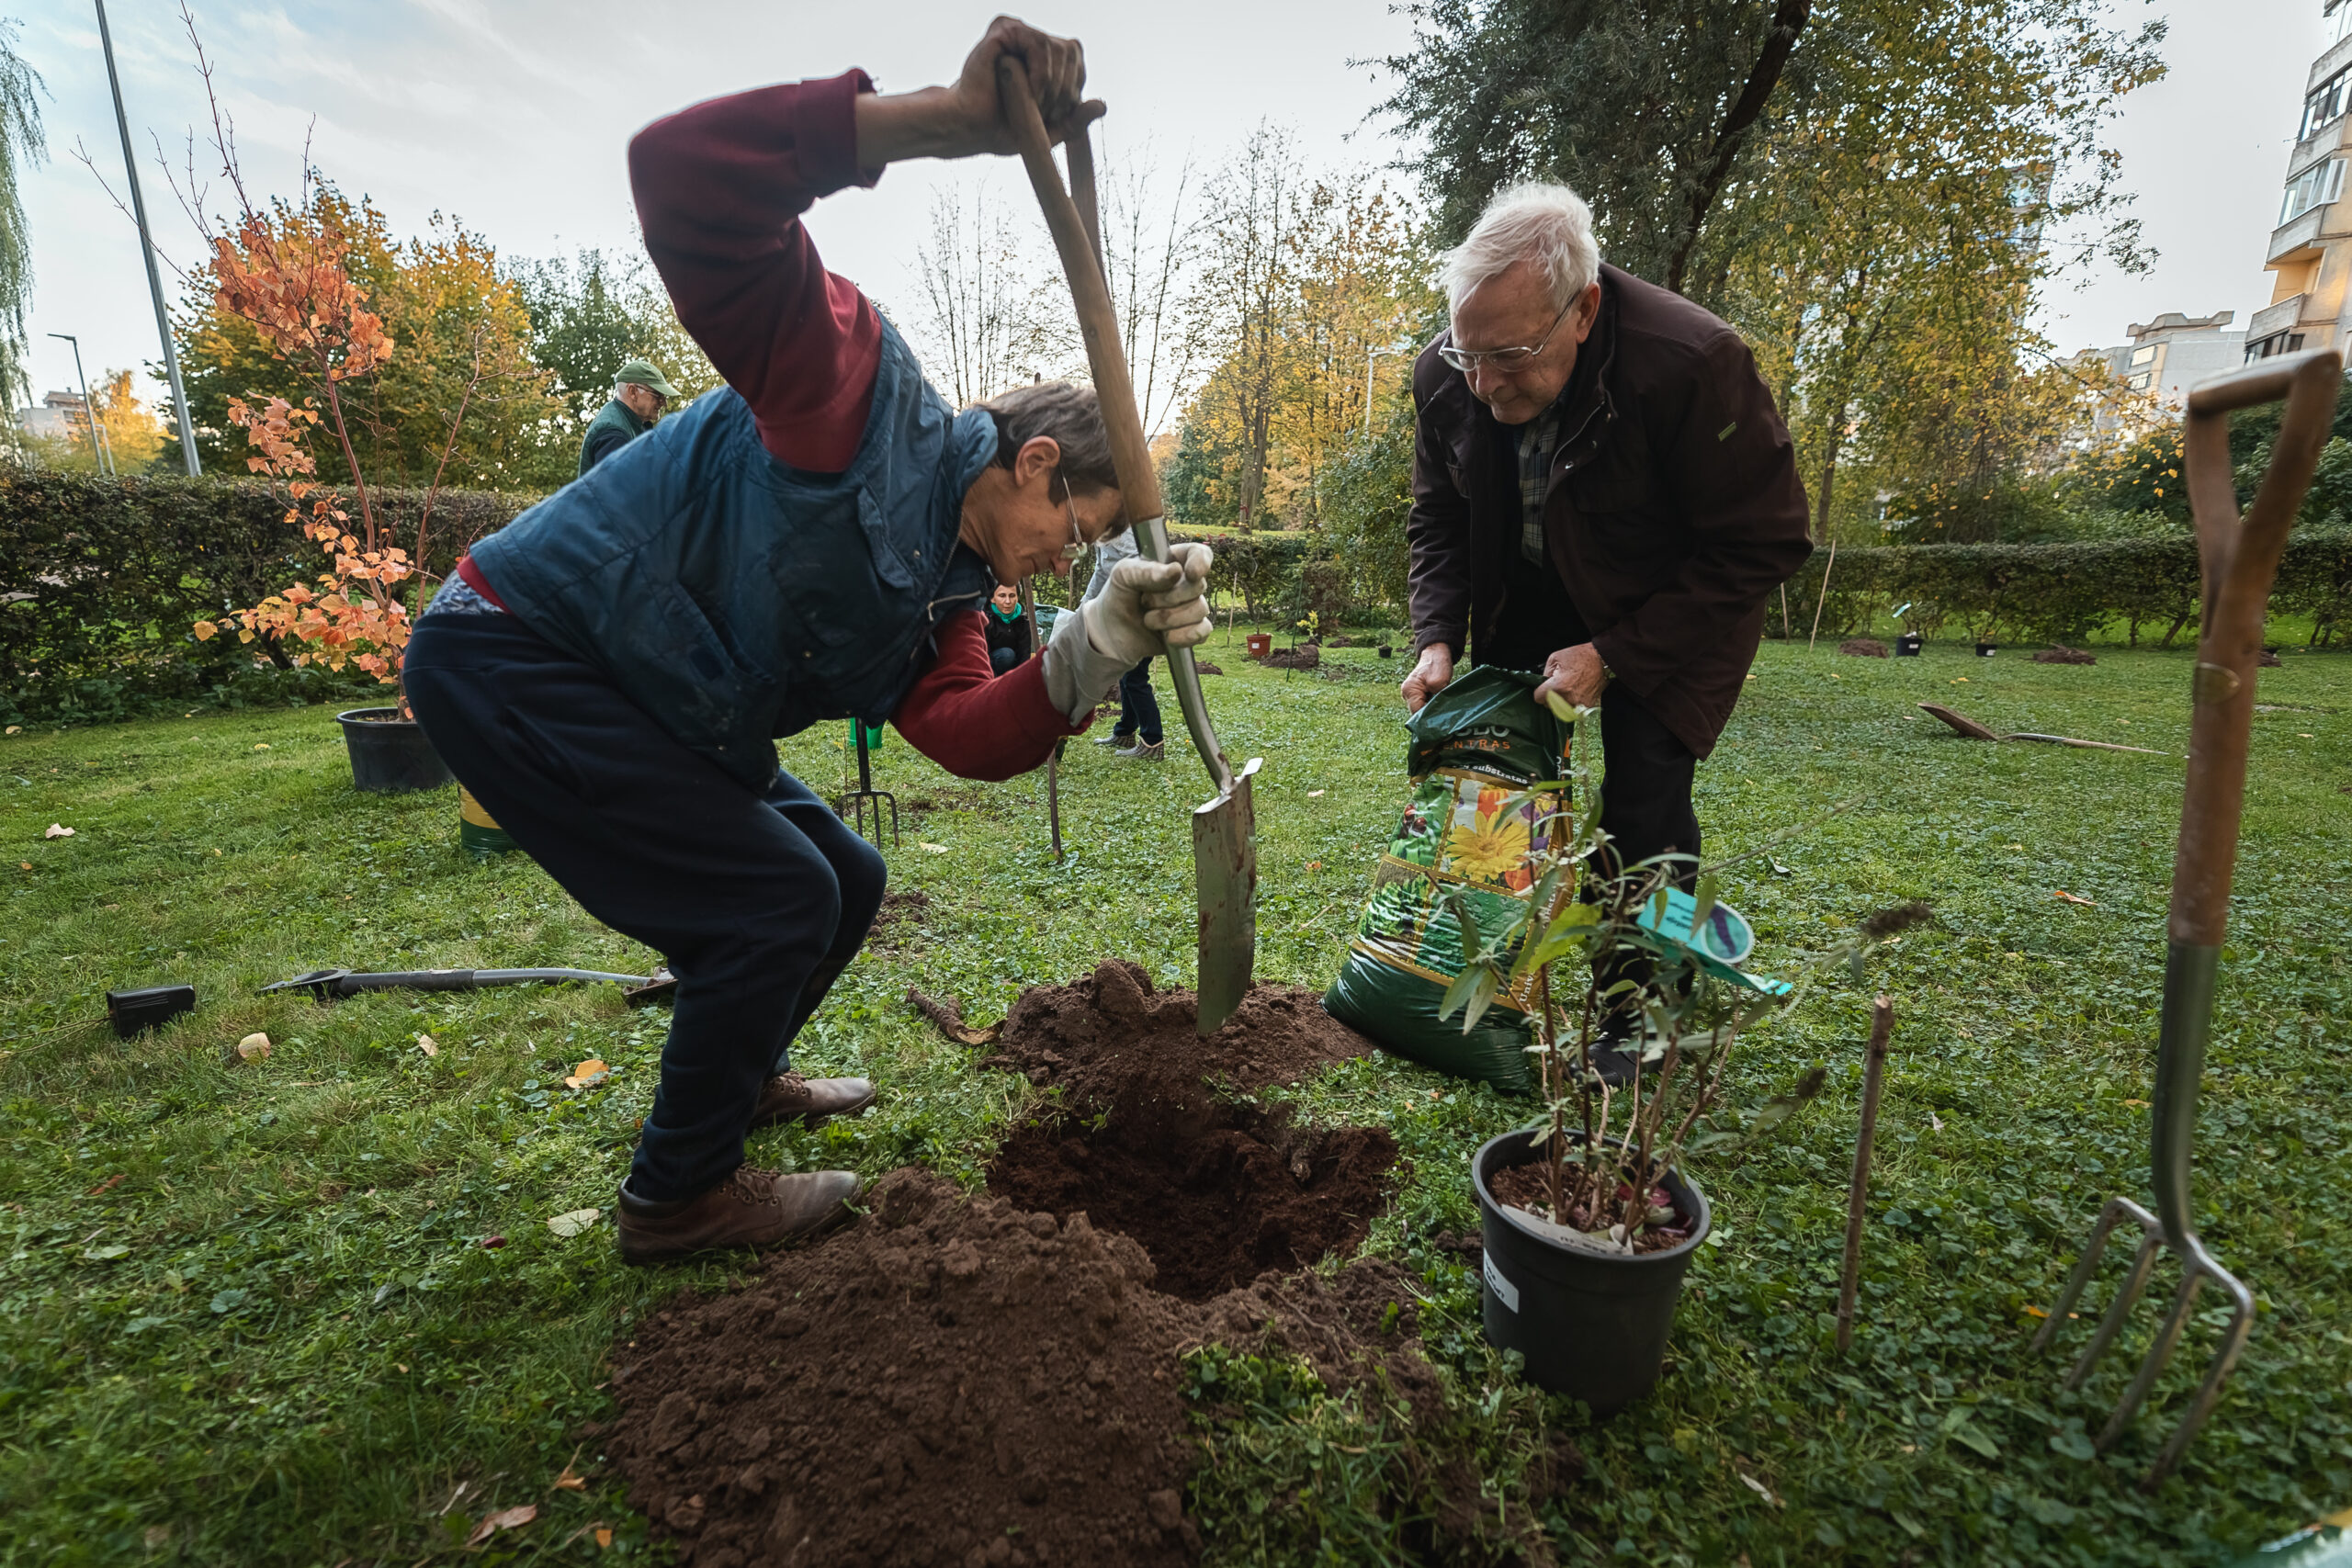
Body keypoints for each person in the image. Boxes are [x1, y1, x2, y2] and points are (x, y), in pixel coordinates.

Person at [404, 18, 1214, 1265]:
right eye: (1080, 529)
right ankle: (677, 1196)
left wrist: (1098, 643)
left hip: (654, 700)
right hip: (518, 652)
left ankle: (742, 1076)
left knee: (849, 876)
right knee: (774, 898)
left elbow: (964, 732)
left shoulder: (948, 593)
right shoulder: (856, 399)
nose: (1070, 559)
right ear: (1036, 461)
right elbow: (680, 177)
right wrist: (945, 120)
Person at [1399, 182, 1810, 1052]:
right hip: (1529, 585)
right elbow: (1438, 515)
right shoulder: (1446, 374)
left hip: (1669, 603)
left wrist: (1614, 653)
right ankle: (1492, 975)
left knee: (1640, 806)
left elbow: (1764, 540)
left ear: (1583, 310)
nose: (1483, 382)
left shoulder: (1691, 364)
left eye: (1510, 355)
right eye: (1468, 353)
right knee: (1497, 777)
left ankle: (1640, 1013)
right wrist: (1435, 635)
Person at [1081, 526, 1164, 761]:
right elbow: (1101, 570)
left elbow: (1142, 565)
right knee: (1126, 673)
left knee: (1135, 677)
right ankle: (1125, 732)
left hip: (1141, 611)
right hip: (1127, 613)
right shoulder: (1102, 531)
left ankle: (1152, 742)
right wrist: (1084, 605)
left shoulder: (1121, 529)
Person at [578, 358, 678, 476]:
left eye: (664, 396)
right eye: (657, 395)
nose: (664, 403)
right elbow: (614, 486)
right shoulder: (614, 436)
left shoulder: (631, 422)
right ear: (633, 392)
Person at [985, 582, 1032, 674]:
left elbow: (1025, 654)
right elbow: (983, 654)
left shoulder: (1024, 620)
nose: (1008, 601)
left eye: (1012, 596)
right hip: (990, 666)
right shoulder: (985, 619)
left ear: (1017, 597)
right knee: (1007, 654)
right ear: (992, 599)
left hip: (1013, 667)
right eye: (1002, 596)